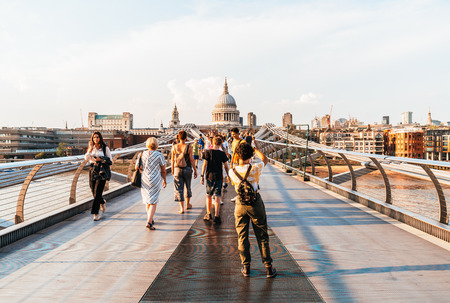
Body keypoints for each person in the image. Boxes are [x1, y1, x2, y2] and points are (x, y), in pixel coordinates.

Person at [228, 142, 277, 278]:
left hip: (240, 204)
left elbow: (234, 180)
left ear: (237, 155)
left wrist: (236, 155)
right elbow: (265, 159)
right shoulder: (255, 167)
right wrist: (254, 149)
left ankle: (246, 267)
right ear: (250, 155)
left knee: (242, 236)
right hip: (255, 203)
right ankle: (268, 267)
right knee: (262, 235)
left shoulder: (232, 171)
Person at [136, 137, 167, 230]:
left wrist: (144, 170)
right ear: (157, 145)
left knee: (147, 200)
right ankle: (149, 222)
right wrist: (164, 180)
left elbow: (137, 167)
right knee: (153, 201)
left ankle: (150, 218)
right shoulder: (159, 155)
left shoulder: (141, 154)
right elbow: (163, 170)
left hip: (144, 179)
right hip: (155, 179)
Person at [201, 136, 229, 224]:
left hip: (209, 176)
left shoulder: (207, 152)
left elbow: (204, 165)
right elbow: (226, 166)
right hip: (218, 177)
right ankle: (217, 216)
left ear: (212, 143)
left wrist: (202, 175)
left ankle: (208, 213)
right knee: (217, 196)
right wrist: (228, 175)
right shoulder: (222, 154)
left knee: (208, 195)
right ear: (221, 144)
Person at [84, 131, 112, 221]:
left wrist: (101, 159)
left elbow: (110, 161)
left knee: (97, 193)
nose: (96, 139)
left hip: (101, 171)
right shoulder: (91, 148)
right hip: (92, 169)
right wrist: (90, 148)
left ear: (100, 138)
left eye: (98, 137)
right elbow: (86, 158)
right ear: (92, 139)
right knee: (93, 191)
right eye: (94, 137)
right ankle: (102, 201)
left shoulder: (105, 148)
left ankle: (96, 213)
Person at [171, 130, 198, 214]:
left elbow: (172, 160)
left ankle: (181, 208)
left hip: (177, 169)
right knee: (188, 186)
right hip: (187, 169)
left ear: (178, 138)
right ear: (186, 138)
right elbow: (192, 160)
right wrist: (195, 170)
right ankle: (188, 204)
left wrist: (172, 170)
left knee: (179, 188)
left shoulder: (174, 147)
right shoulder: (189, 147)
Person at [229, 127, 246, 202]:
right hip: (235, 163)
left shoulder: (243, 142)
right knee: (235, 180)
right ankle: (238, 194)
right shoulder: (233, 141)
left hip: (241, 163)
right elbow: (233, 153)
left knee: (241, 180)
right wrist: (231, 163)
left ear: (238, 133)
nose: (232, 136)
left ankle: (240, 195)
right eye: (232, 134)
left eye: (234, 134)